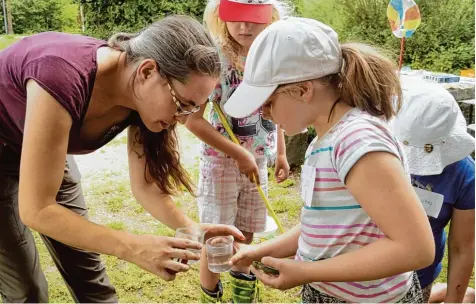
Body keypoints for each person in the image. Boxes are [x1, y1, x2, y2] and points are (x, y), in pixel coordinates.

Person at [0, 15, 244, 303]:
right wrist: (133, 247)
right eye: (182, 105)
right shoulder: (60, 74)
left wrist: (191, 228)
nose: (182, 120)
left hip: (46, 145)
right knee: (26, 290)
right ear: (147, 71)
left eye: (193, 109)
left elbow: (146, 187)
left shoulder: (140, 99)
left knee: (90, 279)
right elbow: (38, 210)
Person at [226, 17, 435, 303]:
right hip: (327, 291)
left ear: (302, 91)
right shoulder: (324, 141)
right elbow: (326, 225)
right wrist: (262, 251)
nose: (264, 114)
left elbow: (416, 248)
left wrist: (306, 272)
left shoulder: (357, 141)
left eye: (268, 103)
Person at [185, 0, 290, 302]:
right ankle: (210, 295)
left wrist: (280, 152)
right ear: (221, 17)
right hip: (221, 163)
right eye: (236, 18)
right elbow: (193, 120)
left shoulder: (272, 57)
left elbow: (276, 110)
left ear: (269, 17)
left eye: (253, 18)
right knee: (218, 237)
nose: (244, 27)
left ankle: (243, 293)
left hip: (257, 160)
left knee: (248, 232)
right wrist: (238, 153)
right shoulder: (214, 59)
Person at [392, 77, 475, 303]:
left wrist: (454, 299)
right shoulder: (374, 151)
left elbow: (462, 247)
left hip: (421, 273)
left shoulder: (465, 174)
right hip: (367, 269)